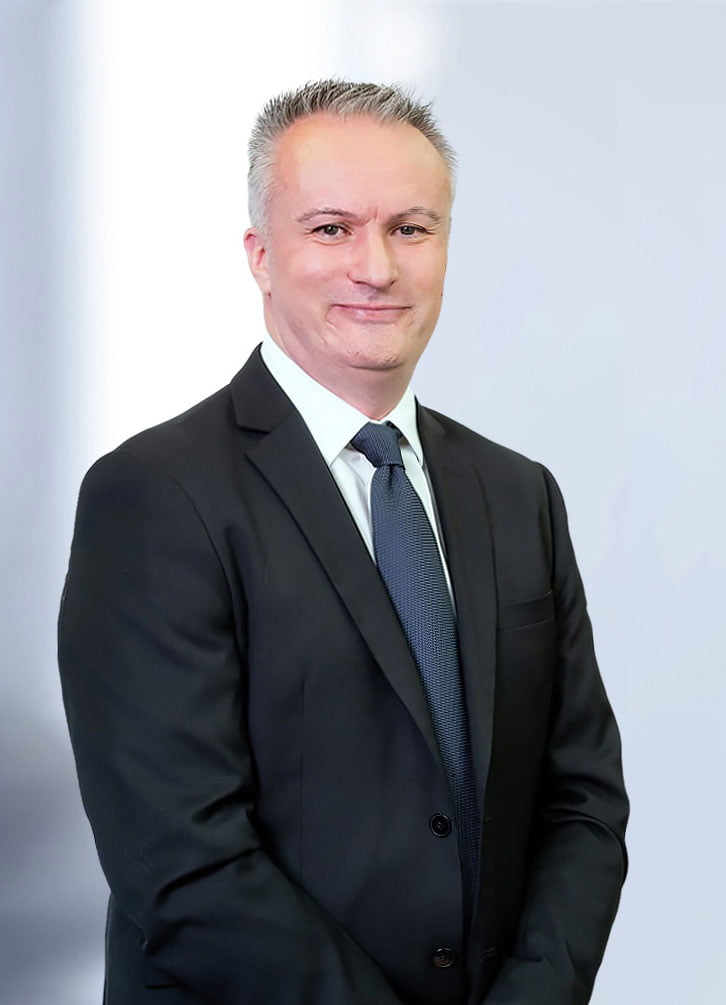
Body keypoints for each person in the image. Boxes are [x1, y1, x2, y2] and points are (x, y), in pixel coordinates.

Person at [58, 80, 628, 1005]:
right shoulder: (154, 496)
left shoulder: (518, 493)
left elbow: (584, 799)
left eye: (411, 228)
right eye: (331, 229)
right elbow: (182, 858)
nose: (377, 267)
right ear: (261, 256)